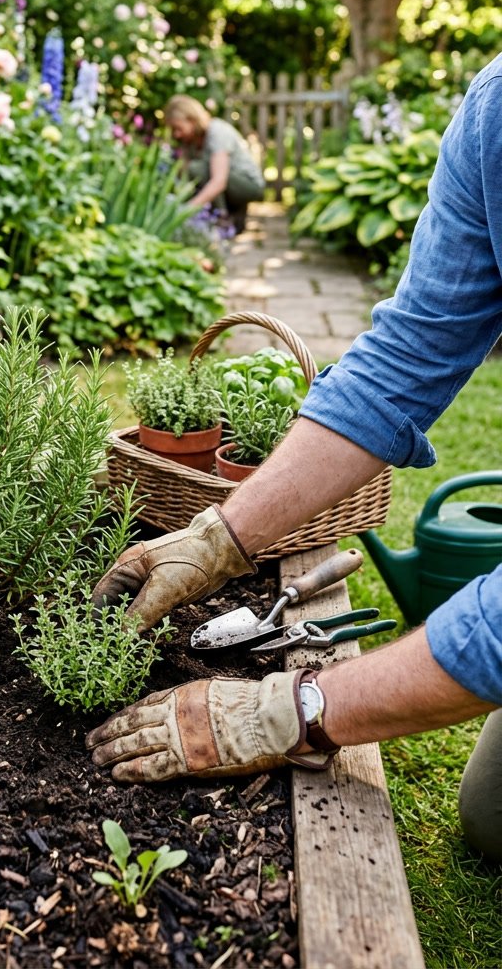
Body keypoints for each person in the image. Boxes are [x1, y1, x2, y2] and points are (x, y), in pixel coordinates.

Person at [89, 54, 502, 862]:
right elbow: (403, 359)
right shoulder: (496, 109)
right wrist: (219, 539)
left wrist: (302, 709)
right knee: (494, 820)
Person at [165, 94, 265, 233]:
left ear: (192, 120)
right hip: (230, 185)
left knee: (197, 169)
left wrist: (187, 209)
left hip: (249, 185)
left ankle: (223, 219)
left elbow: (219, 181)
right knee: (192, 169)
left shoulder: (217, 132)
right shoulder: (192, 140)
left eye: (178, 128)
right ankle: (231, 214)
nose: (176, 134)